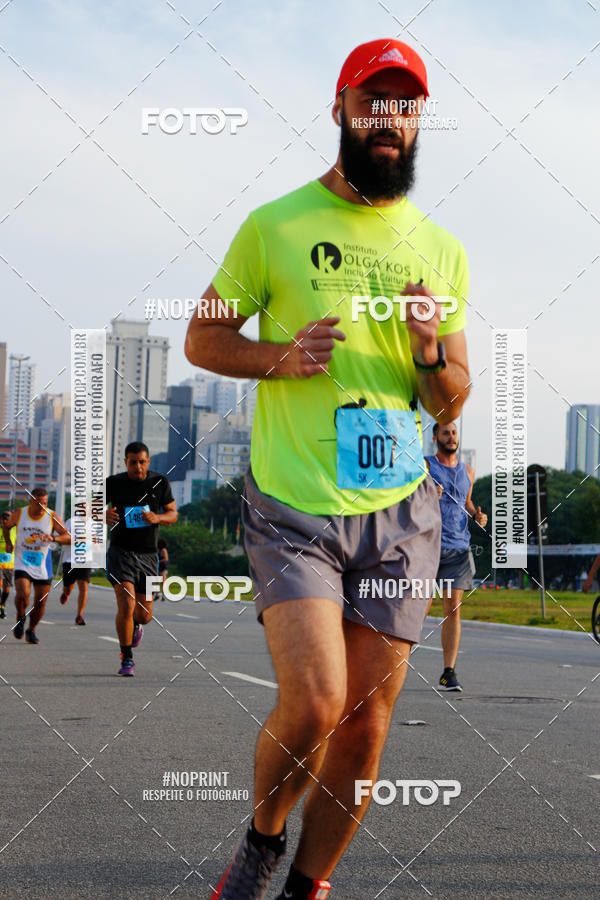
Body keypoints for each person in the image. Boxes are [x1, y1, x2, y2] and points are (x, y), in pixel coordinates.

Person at [185, 39, 471, 900]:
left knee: (365, 724)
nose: (388, 118)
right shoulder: (275, 224)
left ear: (418, 122)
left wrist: (428, 353)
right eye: (373, 101)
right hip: (294, 507)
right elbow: (204, 336)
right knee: (315, 704)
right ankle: (264, 842)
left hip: (401, 514)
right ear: (342, 109)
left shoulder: (442, 248)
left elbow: (451, 398)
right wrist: (278, 356)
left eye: (404, 105)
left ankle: (308, 886)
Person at [105, 442, 177, 676]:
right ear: (125, 462)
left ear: (148, 461)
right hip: (120, 552)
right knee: (126, 603)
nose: (137, 466)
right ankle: (126, 657)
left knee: (145, 615)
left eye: (142, 462)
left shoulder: (160, 482)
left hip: (149, 555)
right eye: (133, 462)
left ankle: (135, 625)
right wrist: (101, 513)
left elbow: (173, 514)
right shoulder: (113, 483)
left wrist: (158, 517)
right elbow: (86, 506)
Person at [425, 422, 487, 691]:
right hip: (427, 546)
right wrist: (427, 493)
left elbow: (465, 501)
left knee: (453, 609)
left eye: (454, 433)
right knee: (418, 608)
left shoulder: (468, 471)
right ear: (435, 437)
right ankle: (395, 663)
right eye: (446, 433)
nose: (451, 437)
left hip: (459, 548)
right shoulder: (424, 466)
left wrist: (476, 515)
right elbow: (405, 497)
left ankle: (448, 672)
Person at [1, 488, 70, 643]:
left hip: (43, 563)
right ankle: (20, 616)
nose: (42, 507)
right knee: (23, 593)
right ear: (31, 501)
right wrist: (9, 543)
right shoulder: (20, 513)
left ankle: (31, 630)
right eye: (39, 503)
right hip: (22, 559)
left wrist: (52, 538)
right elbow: (7, 526)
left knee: (40, 602)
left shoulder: (52, 516)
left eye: (45, 503)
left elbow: (68, 537)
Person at [59, 515, 92, 625]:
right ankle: (65, 593)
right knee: (68, 587)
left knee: (83, 586)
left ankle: (79, 615)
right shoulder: (71, 521)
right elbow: (63, 538)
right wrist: (77, 540)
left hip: (86, 560)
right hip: (70, 560)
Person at [0, 510, 17, 619]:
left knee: (6, 589)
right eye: (5, 519)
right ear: (1, 520)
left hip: (10, 564)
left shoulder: (15, 530)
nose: (6, 522)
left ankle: (2, 605)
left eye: (8, 519)